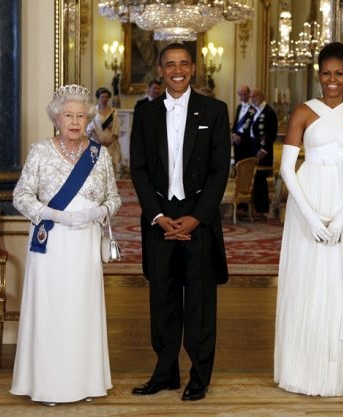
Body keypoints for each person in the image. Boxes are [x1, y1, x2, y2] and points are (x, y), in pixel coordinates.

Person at [274, 41, 343, 397]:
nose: (332, 80)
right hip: (308, 202)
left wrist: (340, 219)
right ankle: (301, 370)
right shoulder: (303, 111)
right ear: (317, 74)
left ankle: (341, 373)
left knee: (340, 283)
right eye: (326, 73)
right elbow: (288, 168)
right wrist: (313, 218)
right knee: (307, 282)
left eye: (339, 73)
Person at [129, 43, 231, 402]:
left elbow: (220, 171)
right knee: (163, 300)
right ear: (160, 69)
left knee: (200, 302)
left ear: (193, 68)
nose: (177, 70)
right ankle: (165, 373)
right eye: (170, 64)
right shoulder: (145, 113)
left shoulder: (215, 110)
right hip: (159, 218)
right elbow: (138, 170)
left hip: (198, 220)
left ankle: (199, 377)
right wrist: (157, 216)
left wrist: (197, 217)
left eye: (183, 64)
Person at [10, 84, 121, 406]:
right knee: (52, 311)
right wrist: (52, 214)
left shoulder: (98, 156)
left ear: (87, 118)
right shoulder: (40, 151)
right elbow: (21, 196)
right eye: (68, 115)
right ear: (56, 118)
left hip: (85, 242)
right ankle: (49, 386)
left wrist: (99, 210)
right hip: (52, 242)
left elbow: (113, 197)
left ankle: (85, 383)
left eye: (80, 115)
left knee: (81, 310)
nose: (74, 121)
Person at [249, 88, 278, 215]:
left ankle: (262, 208)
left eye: (254, 97)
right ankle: (256, 207)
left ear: (261, 97)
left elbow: (271, 133)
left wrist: (264, 150)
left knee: (261, 180)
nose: (252, 99)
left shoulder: (269, 112)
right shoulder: (255, 111)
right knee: (255, 180)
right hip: (254, 149)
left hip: (263, 152)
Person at [87, 87, 122, 177]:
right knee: (97, 168)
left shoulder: (113, 112)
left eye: (106, 97)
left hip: (111, 144)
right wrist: (99, 140)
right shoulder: (93, 111)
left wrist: (110, 141)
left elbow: (116, 128)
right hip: (96, 143)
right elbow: (90, 127)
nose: (104, 99)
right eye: (102, 97)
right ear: (98, 98)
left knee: (110, 168)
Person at [231, 84, 256, 162]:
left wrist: (242, 138)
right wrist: (233, 135)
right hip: (237, 142)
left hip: (248, 142)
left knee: (246, 164)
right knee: (237, 164)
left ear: (249, 94)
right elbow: (236, 124)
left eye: (245, 94)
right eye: (241, 94)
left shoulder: (254, 108)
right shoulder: (239, 107)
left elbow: (253, 127)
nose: (243, 96)